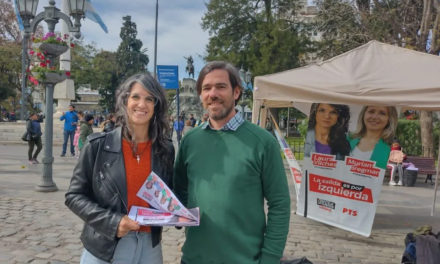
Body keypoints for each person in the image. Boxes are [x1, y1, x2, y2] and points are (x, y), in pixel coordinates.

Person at [174, 61, 290, 264]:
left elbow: (279, 203)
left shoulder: (263, 142)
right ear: (200, 95)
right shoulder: (190, 141)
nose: (213, 94)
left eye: (221, 87)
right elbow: (179, 189)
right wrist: (179, 214)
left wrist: (270, 257)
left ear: (236, 92)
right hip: (194, 258)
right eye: (206, 88)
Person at [65, 73, 175, 264]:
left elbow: (169, 193)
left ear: (156, 106)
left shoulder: (165, 149)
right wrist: (113, 222)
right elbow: (74, 196)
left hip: (150, 247)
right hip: (105, 246)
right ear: (125, 101)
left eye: (150, 99)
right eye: (136, 97)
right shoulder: (97, 146)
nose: (142, 104)